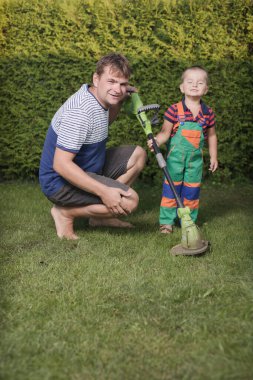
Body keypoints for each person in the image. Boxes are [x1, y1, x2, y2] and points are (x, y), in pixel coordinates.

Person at [39, 53, 146, 240]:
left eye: (122, 84)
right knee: (130, 201)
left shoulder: (98, 98)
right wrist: (104, 191)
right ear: (96, 79)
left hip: (88, 168)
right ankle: (65, 213)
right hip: (59, 181)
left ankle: (101, 218)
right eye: (111, 81)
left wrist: (120, 100)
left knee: (138, 154)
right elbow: (61, 165)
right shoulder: (80, 111)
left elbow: (102, 124)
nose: (117, 89)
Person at [148, 66, 218, 233]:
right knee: (172, 188)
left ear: (206, 89)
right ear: (182, 87)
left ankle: (187, 220)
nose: (195, 85)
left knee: (192, 190)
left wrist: (214, 157)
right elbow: (165, 133)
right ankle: (166, 222)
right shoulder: (174, 110)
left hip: (195, 161)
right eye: (190, 82)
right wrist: (156, 141)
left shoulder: (208, 113)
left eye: (200, 82)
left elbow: (212, 136)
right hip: (175, 160)